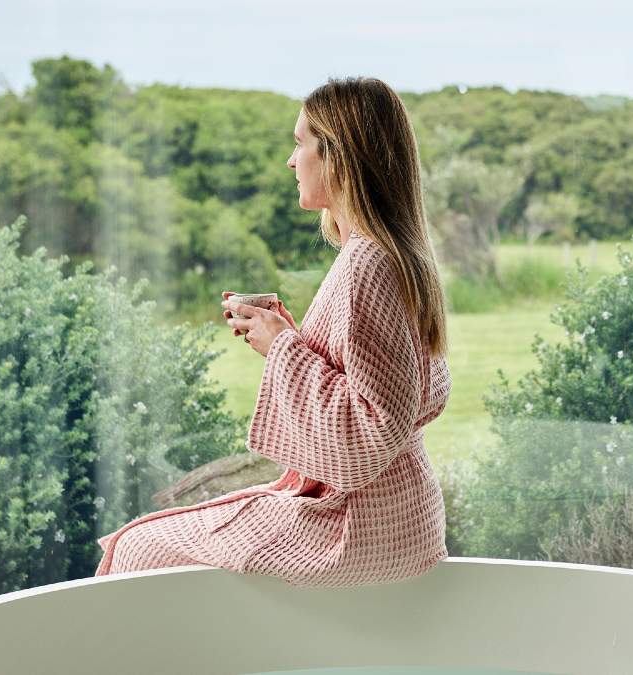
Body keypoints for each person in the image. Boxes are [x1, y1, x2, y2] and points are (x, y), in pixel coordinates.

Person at [94, 76, 452, 587]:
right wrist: (286, 333)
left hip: (361, 527)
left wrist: (281, 346)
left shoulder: (368, 264)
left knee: (138, 550)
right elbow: (380, 386)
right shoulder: (389, 255)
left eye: (300, 143)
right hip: (400, 516)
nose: (290, 160)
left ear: (338, 156)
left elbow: (377, 424)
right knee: (146, 541)